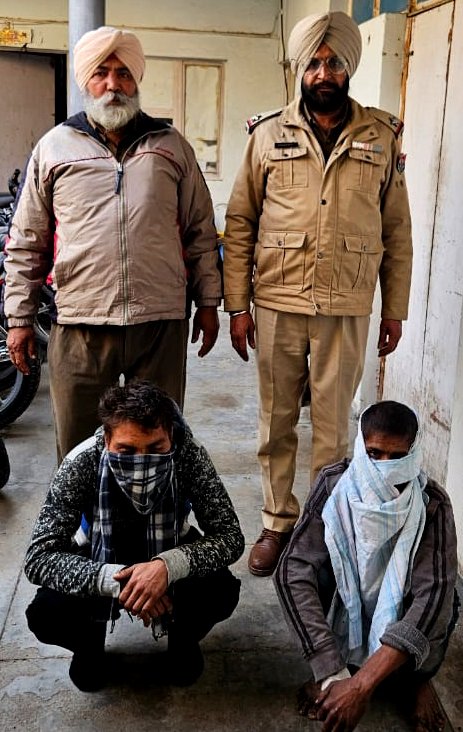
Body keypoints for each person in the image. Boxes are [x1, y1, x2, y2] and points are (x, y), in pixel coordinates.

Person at [223, 11, 413, 576]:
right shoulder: (266, 135)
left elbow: (397, 230)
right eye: (313, 63)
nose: (323, 73)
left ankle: (322, 527)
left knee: (333, 428)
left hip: (346, 304)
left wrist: (395, 309)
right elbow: (240, 222)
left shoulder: (381, 136)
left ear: (348, 68)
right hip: (277, 301)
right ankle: (277, 522)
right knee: (276, 421)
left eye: (333, 63)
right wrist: (237, 305)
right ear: (299, 69)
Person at [4, 25, 222, 463]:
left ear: (136, 81)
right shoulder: (54, 147)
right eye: (101, 73)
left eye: (124, 73)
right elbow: (27, 240)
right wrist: (19, 317)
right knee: (78, 451)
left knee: (158, 442)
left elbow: (200, 229)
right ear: (85, 81)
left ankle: (155, 508)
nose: (113, 84)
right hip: (80, 323)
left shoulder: (171, 146)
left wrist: (209, 302)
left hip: (159, 324)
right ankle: (85, 512)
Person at [24, 380, 244, 692]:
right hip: (97, 552)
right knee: (46, 613)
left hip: (171, 544)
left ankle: (182, 639)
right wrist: (119, 582)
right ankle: (88, 644)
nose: (141, 464)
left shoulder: (189, 456)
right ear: (106, 439)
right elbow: (39, 558)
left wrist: (167, 568)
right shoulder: (81, 461)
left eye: (156, 449)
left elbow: (230, 537)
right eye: (126, 451)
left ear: (170, 436)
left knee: (220, 592)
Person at [275, 401, 459, 732]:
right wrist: (332, 674)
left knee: (440, 606)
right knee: (304, 576)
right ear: (361, 446)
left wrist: (361, 686)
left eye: (397, 457)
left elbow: (433, 597)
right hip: (345, 603)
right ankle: (335, 667)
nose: (384, 468)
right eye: (374, 453)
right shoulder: (334, 484)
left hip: (400, 613)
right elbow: (292, 569)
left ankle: (416, 680)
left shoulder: (432, 503)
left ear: (414, 452)